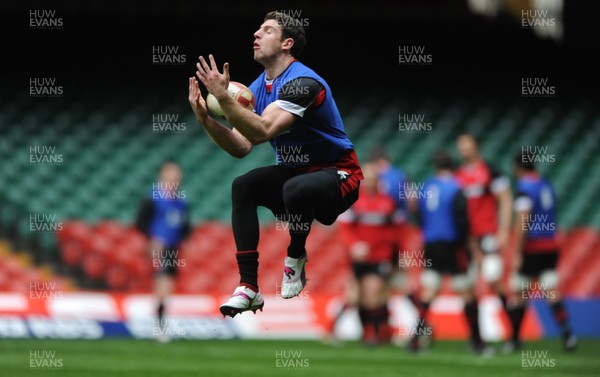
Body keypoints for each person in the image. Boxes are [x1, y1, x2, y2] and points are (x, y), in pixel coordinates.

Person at [188, 11, 363, 317]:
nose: (256, 34)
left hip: (339, 177)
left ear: (287, 44)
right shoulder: (257, 88)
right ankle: (248, 287)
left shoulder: (303, 82)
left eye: (267, 30)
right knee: (243, 185)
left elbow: (264, 131)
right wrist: (205, 120)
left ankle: (295, 255)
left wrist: (224, 100)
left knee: (295, 188)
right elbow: (242, 146)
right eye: (257, 29)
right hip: (297, 180)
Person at [411, 151, 488, 354]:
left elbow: (418, 217)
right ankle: (477, 342)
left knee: (429, 290)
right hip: (453, 245)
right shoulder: (456, 188)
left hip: (431, 244)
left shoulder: (426, 186)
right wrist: (472, 247)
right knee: (465, 291)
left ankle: (414, 341)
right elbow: (463, 222)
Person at [504, 151, 577, 352]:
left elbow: (523, 220)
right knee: (551, 290)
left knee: (520, 292)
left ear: (518, 167)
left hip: (533, 246)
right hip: (550, 244)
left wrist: (518, 252)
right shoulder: (546, 184)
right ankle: (568, 335)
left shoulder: (524, 188)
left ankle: (515, 339)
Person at [337, 163, 397, 346]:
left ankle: (374, 333)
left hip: (381, 256)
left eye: (373, 179)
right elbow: (345, 228)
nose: (370, 182)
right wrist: (354, 245)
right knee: (359, 296)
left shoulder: (388, 202)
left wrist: (394, 254)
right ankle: (371, 331)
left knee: (374, 292)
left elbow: (395, 231)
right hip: (359, 258)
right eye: (367, 179)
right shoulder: (353, 201)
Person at [454, 133, 512, 320]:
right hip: (466, 237)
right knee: (468, 285)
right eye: (461, 146)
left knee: (494, 279)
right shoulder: (458, 174)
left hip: (488, 234)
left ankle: (514, 331)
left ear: (476, 147)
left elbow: (505, 199)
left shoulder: (491, 170)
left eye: (467, 146)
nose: (464, 150)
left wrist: (503, 230)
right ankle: (477, 338)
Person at [135, 160, 191, 342]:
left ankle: (160, 320)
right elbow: (140, 223)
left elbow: (184, 227)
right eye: (171, 173)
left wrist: (185, 241)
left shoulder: (181, 202)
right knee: (163, 282)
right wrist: (152, 239)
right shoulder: (152, 199)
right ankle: (158, 325)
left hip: (173, 248)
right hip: (159, 247)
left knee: (168, 284)